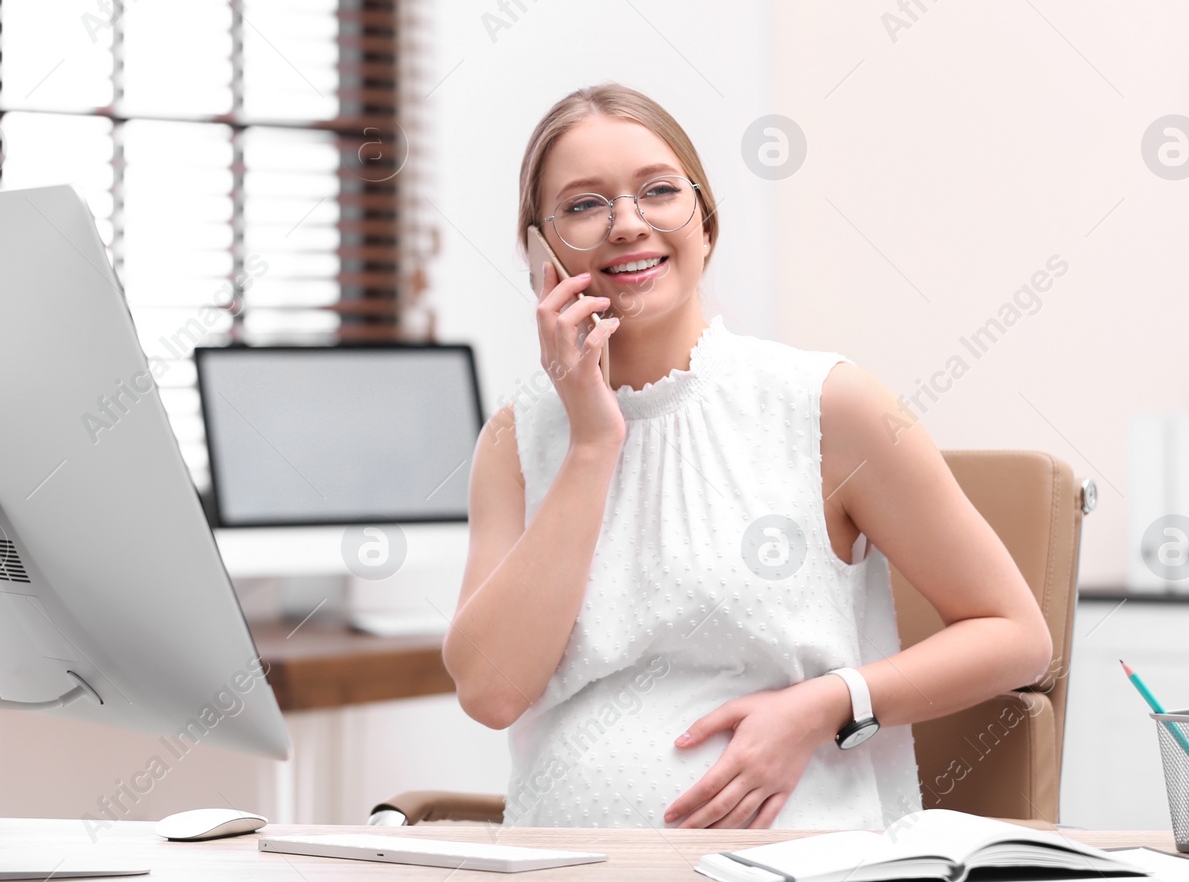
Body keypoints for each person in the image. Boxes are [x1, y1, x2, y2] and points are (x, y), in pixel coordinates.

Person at [441, 83, 1053, 830]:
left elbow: (1016, 634)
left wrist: (828, 703)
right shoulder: (517, 438)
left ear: (705, 222)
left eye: (658, 191)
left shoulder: (828, 403)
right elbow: (491, 691)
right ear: (541, 253)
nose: (627, 223)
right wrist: (593, 443)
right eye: (583, 204)